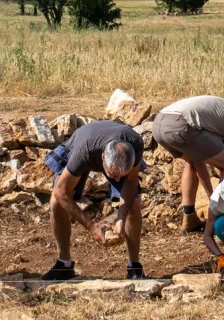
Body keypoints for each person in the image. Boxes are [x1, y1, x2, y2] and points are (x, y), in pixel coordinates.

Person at [42, 120, 146, 281]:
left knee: (134, 203)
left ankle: (134, 267)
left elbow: (131, 181)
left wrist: (121, 218)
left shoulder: (135, 144)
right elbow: (61, 192)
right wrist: (91, 226)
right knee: (56, 203)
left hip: (109, 146)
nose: (118, 179)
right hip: (84, 143)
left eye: (121, 175)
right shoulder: (84, 152)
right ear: (103, 158)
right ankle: (64, 264)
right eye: (113, 174)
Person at [153, 96, 224, 232]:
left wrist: (212, 196)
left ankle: (189, 218)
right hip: (181, 124)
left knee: (193, 163)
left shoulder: (223, 114)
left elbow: (199, 162)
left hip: (159, 125)